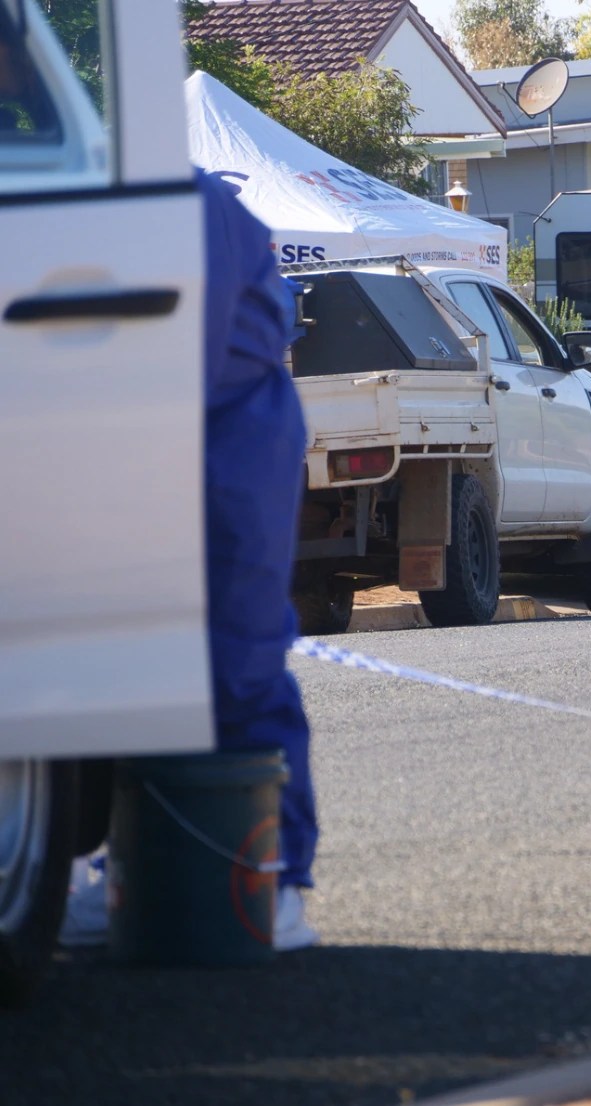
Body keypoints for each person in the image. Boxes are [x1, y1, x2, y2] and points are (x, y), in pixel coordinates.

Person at [61, 170, 319, 952]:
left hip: (228, 442)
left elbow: (176, 356)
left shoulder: (185, 205)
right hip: (209, 432)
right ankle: (141, 871)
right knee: (155, 660)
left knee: (234, 663)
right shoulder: (138, 192)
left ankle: (268, 883)